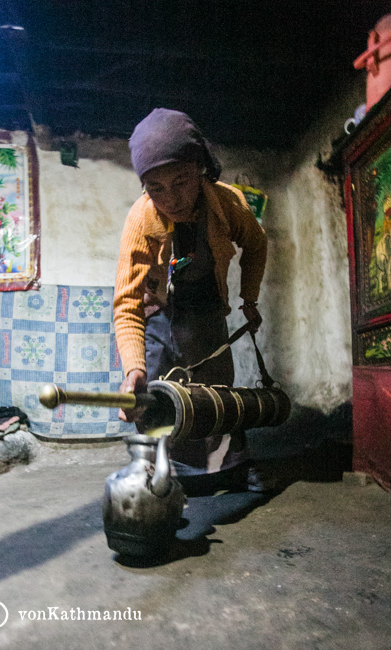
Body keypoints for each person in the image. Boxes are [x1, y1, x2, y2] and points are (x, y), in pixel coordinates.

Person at [113, 108, 271, 494]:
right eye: (156, 188)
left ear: (200, 168)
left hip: (207, 311)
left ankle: (236, 468)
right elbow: (127, 305)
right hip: (159, 315)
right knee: (153, 396)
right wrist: (133, 367)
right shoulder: (141, 222)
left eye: (181, 181)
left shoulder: (228, 204)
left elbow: (256, 244)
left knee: (218, 393)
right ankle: (155, 481)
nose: (171, 198)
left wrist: (248, 299)